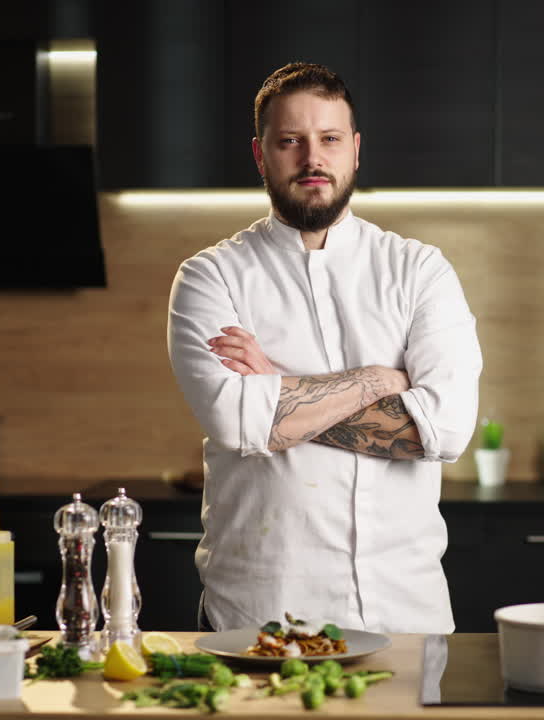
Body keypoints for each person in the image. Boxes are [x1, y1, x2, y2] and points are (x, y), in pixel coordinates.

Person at [166, 62, 482, 634]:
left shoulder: (419, 271)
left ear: (355, 150)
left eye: (329, 139)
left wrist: (277, 394)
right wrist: (380, 380)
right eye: (290, 141)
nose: (313, 159)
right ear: (261, 156)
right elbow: (239, 425)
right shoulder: (211, 278)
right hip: (258, 617)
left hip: (406, 615)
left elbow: (448, 430)